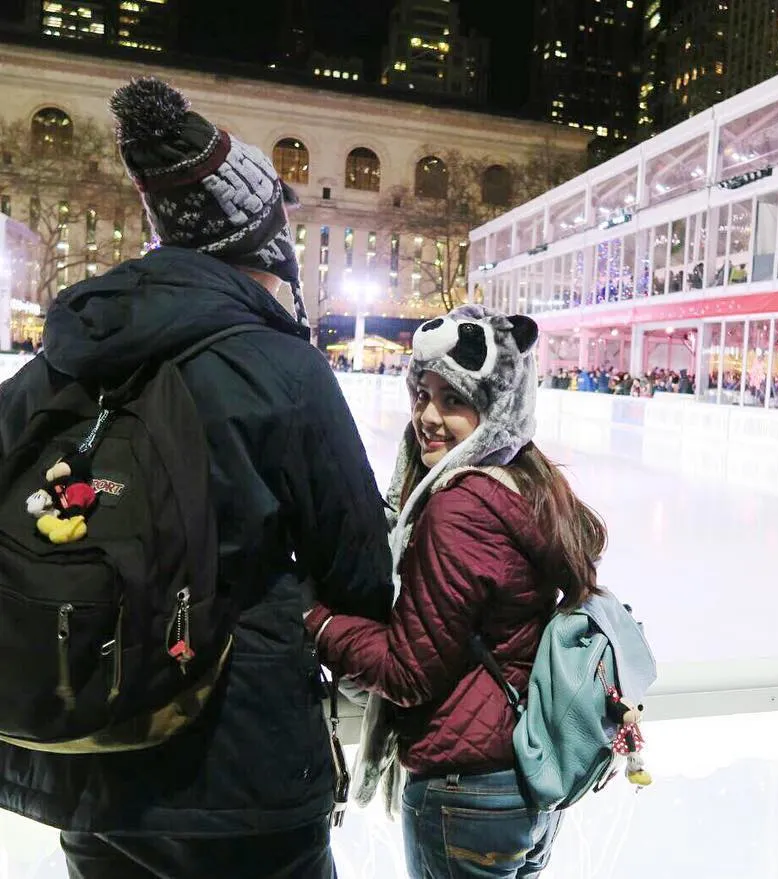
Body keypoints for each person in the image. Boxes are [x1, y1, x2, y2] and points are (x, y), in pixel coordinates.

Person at [0, 77, 393, 878]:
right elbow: (359, 571)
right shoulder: (284, 370)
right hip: (246, 767)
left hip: (88, 752)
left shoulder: (64, 360)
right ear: (263, 247)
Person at [304, 305, 608, 879]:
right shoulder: (525, 486)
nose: (428, 417)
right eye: (422, 395)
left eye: (453, 400)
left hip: (465, 792)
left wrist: (315, 622)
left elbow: (408, 673)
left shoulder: (460, 511)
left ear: (496, 409)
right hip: (522, 785)